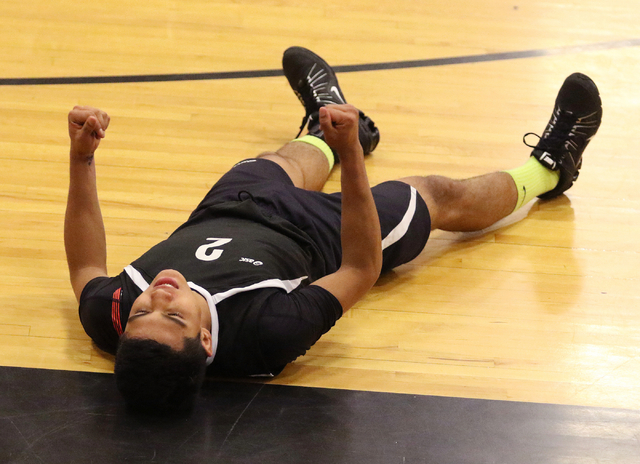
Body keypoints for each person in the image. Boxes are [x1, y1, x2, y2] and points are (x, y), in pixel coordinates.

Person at [64, 46, 602, 414]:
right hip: (322, 235)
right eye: (173, 314)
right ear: (206, 341)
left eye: (142, 312)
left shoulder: (111, 316)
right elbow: (359, 269)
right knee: (437, 194)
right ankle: (552, 168)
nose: (157, 296)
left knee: (283, 159)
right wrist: (352, 165)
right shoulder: (267, 332)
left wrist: (82, 158)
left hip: (228, 209)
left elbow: (86, 266)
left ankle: (336, 125)